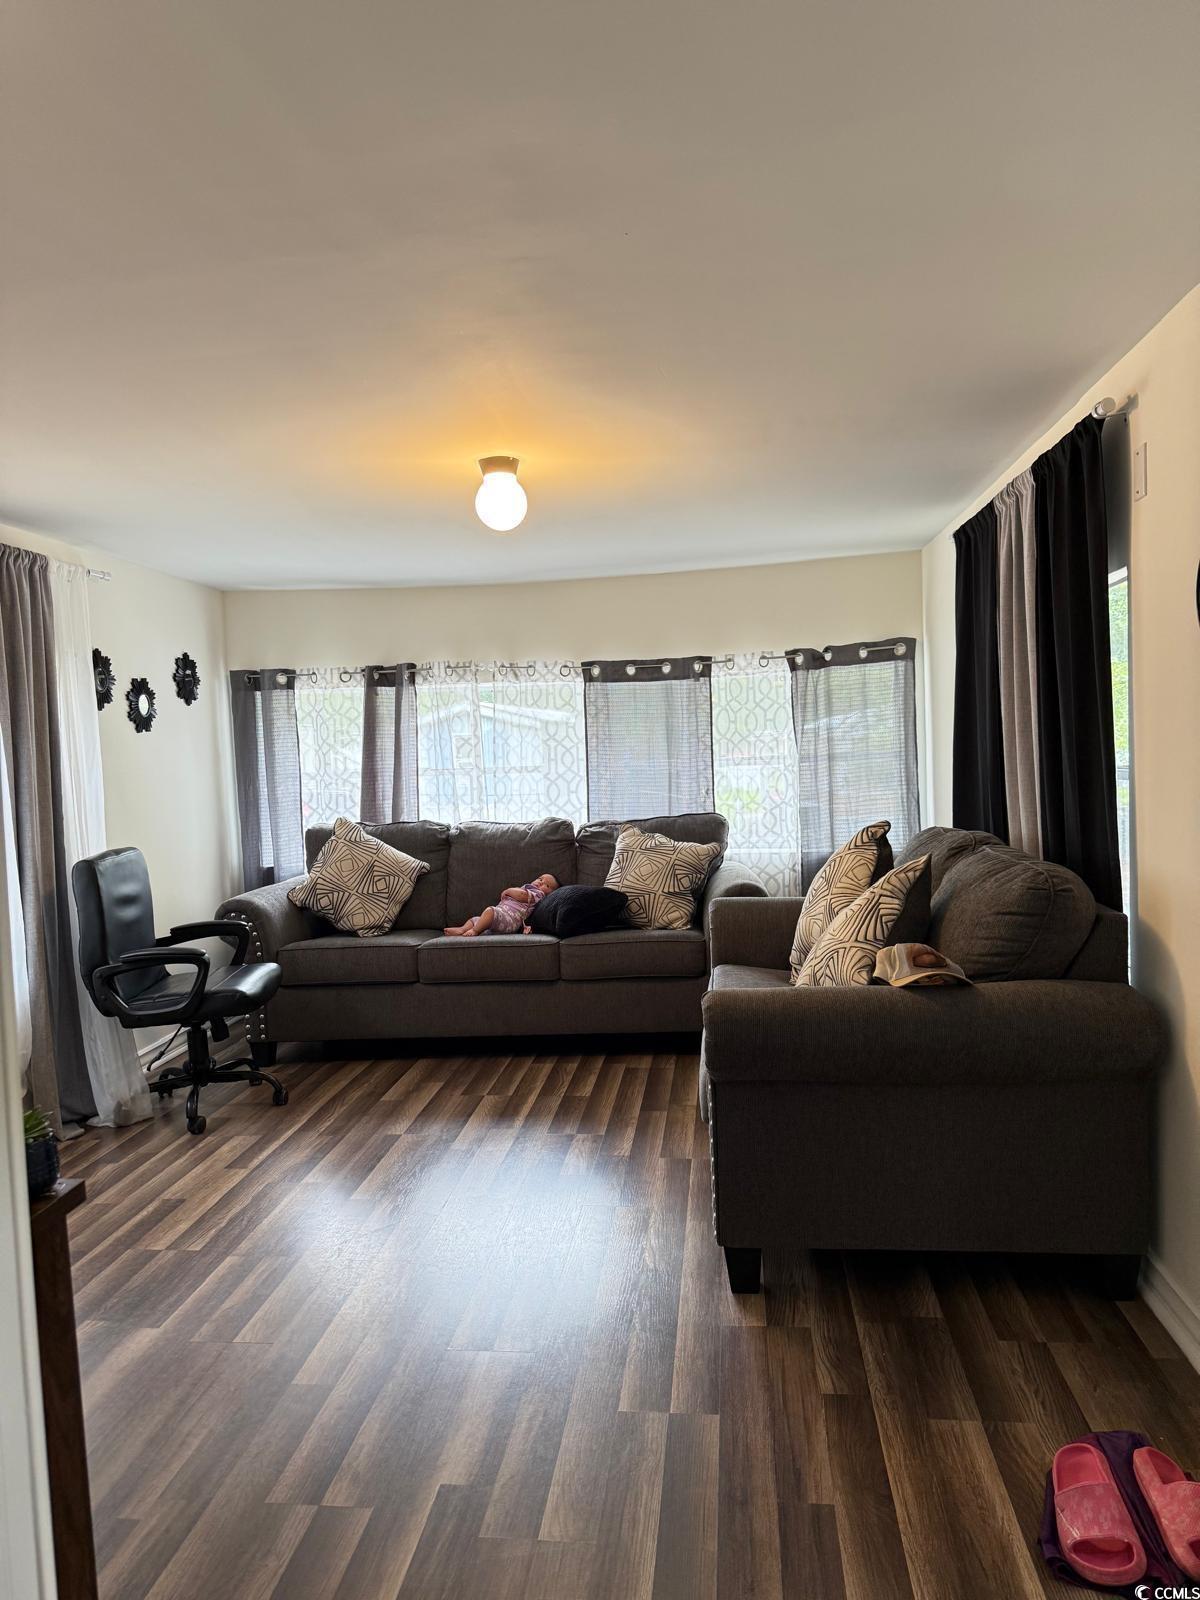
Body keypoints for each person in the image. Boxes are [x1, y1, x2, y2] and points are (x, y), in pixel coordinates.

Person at [443, 873, 559, 936]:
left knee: (490, 911)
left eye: (547, 885)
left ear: (550, 893)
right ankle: (463, 929)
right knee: (475, 919)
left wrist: (508, 891)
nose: (541, 882)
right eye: (540, 879)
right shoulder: (529, 888)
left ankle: (475, 931)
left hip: (510, 920)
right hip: (502, 915)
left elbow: (522, 896)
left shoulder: (538, 895)